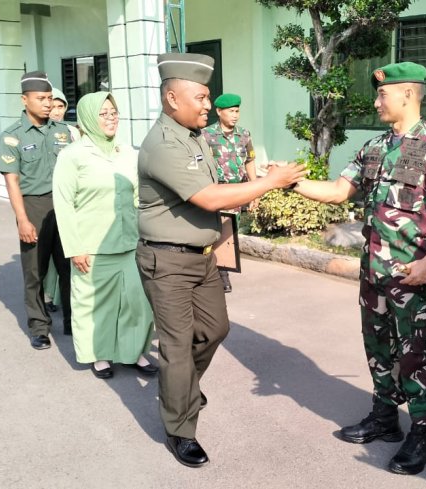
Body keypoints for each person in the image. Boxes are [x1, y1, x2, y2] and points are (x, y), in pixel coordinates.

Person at [292, 61, 426, 475]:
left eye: (382, 94)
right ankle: (385, 417)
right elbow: (340, 191)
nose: (376, 102)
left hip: (413, 276)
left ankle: (424, 435)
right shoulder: (373, 147)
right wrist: (289, 182)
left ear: (407, 94)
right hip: (373, 274)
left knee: (418, 355)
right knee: (378, 349)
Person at [136, 53, 306, 468]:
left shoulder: (195, 137)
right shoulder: (163, 143)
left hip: (201, 256)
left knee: (215, 329)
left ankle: (181, 386)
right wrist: (268, 184)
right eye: (201, 97)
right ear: (172, 99)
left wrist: (259, 176)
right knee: (176, 347)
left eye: (209, 97)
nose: (208, 106)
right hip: (167, 260)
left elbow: (217, 185)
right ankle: (180, 427)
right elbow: (208, 197)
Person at [52, 91, 156, 380]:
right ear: (87, 118)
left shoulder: (128, 153)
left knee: (137, 301)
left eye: (114, 113)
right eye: (104, 113)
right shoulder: (72, 156)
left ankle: (135, 352)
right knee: (96, 305)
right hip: (91, 245)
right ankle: (100, 355)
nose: (111, 119)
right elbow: (63, 203)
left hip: (130, 242)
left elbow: (138, 195)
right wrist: (74, 248)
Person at [0, 71, 73, 349]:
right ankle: (39, 327)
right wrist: (22, 219)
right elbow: (12, 182)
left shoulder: (62, 131)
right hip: (33, 206)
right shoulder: (12, 137)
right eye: (41, 99)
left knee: (69, 267)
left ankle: (72, 320)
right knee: (35, 271)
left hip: (63, 205)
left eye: (50, 99)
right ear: (24, 99)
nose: (47, 104)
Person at [202, 92, 257, 293]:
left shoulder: (244, 135)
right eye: (231, 111)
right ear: (219, 112)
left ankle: (222, 269)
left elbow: (250, 161)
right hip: (217, 190)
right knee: (216, 231)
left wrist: (254, 190)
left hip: (238, 190)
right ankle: (220, 274)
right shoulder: (206, 135)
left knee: (229, 233)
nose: (235, 115)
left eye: (237, 111)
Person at [42, 88, 81, 314]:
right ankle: (46, 295)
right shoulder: (38, 133)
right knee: (47, 255)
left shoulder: (71, 132)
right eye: (53, 106)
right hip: (46, 199)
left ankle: (64, 297)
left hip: (70, 198)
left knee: (67, 249)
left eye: (61, 106)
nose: (56, 111)